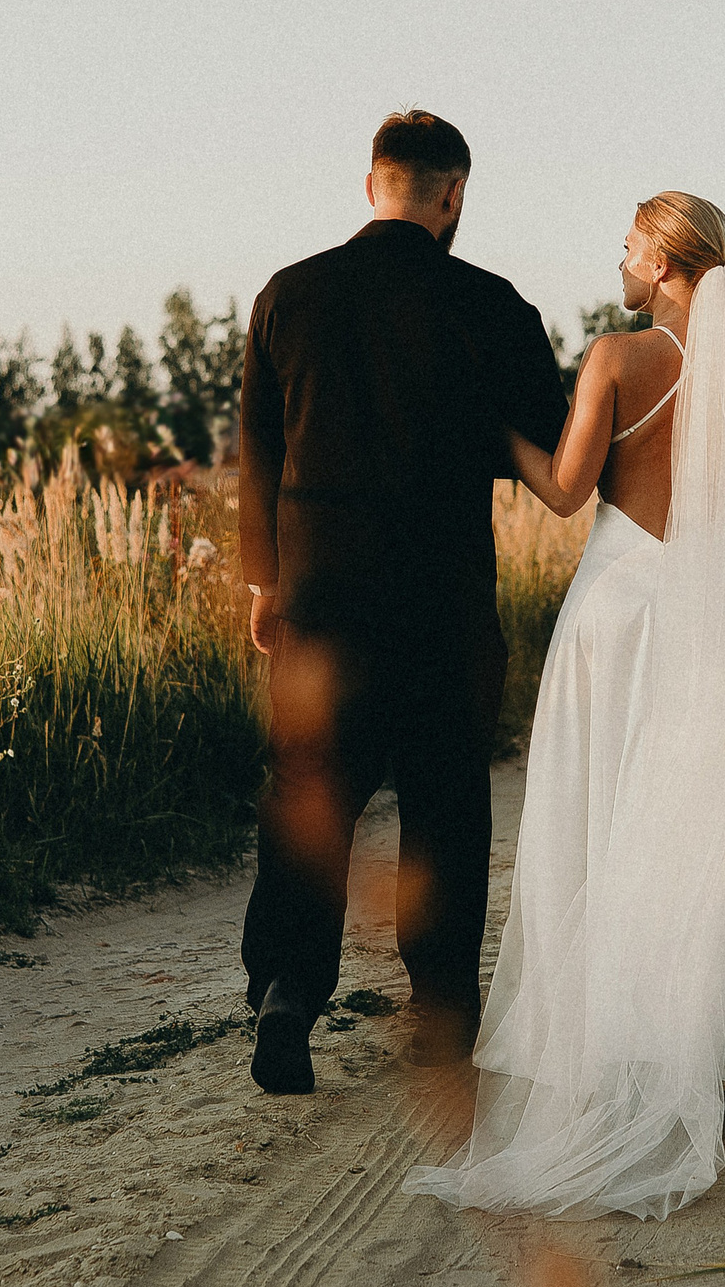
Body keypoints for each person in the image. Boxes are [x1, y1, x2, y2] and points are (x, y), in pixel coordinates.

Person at [403, 192, 725, 1219]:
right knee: (694, 825)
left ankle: (603, 1045)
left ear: (665, 263)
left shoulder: (613, 359)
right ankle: (699, 1041)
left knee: (598, 820)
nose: (620, 257)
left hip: (617, 610)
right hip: (709, 621)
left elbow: (561, 489)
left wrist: (495, 431)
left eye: (632, 244)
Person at [237, 110, 569, 1095]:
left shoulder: (288, 296)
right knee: (445, 804)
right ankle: (441, 1018)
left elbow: (259, 450)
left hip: (321, 595)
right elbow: (555, 449)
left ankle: (290, 995)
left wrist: (264, 583)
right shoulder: (491, 304)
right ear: (453, 193)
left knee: (309, 792)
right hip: (445, 601)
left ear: (370, 183)